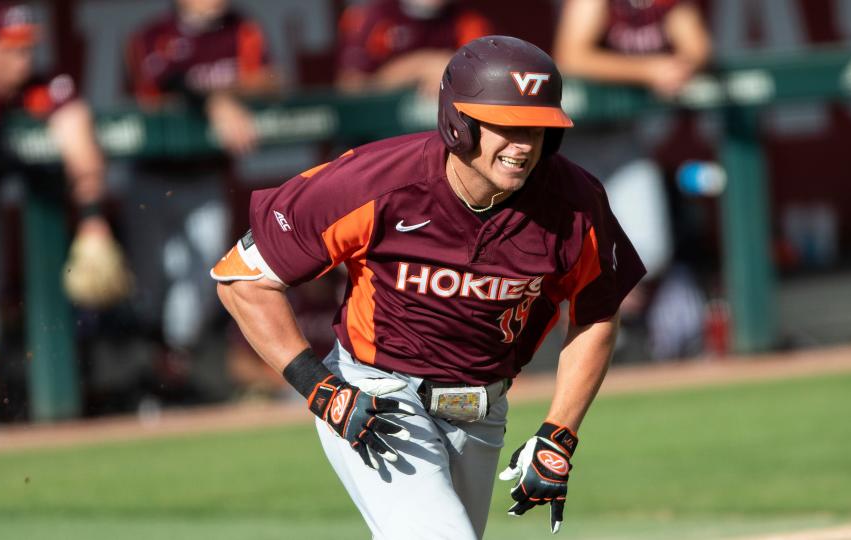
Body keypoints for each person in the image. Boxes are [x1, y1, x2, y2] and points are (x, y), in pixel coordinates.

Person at [212, 35, 644, 538]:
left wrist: (559, 433)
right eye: (506, 125)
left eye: (538, 127)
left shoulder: (573, 201)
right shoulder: (371, 183)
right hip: (378, 399)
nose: (524, 144)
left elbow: (596, 312)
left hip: (483, 410)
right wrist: (318, 387)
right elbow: (242, 279)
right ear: (458, 122)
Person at [123, 0, 278, 401]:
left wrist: (222, 95)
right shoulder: (151, 36)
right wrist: (215, 102)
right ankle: (143, 383)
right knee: (150, 287)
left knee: (201, 284)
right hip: (152, 177)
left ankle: (172, 376)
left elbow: (271, 81)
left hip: (205, 176)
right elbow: (160, 87)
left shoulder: (242, 28)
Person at [553, 0, 712, 361]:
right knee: (563, 247)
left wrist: (680, 67)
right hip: (573, 134)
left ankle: (600, 321)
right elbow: (570, 55)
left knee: (651, 249)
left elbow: (699, 48)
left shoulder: (664, 5)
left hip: (623, 135)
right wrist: (649, 70)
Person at [0, 2, 130, 418]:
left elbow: (76, 129)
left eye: (27, 49)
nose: (24, 60)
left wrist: (92, 219)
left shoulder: (39, 84)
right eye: (10, 50)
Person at [335, 0, 492, 99]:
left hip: (443, 129)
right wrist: (419, 68)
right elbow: (350, 88)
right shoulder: (370, 16)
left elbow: (488, 79)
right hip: (382, 133)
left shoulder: (467, 20)